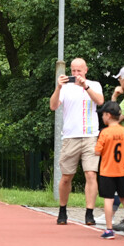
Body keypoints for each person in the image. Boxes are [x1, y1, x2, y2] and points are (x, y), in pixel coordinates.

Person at [49, 57, 104, 225]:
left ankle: (89, 213)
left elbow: (100, 102)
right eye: (73, 71)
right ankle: (62, 210)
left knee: (90, 174)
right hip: (70, 136)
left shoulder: (94, 85)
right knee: (66, 177)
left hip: (90, 135)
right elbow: (53, 106)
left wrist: (85, 86)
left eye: (79, 70)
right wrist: (58, 87)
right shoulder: (65, 88)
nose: (75, 74)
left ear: (86, 70)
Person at [94, 102, 124, 239]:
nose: (102, 118)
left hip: (107, 171)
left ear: (108, 115)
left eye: (103, 115)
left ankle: (109, 229)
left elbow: (97, 152)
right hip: (121, 170)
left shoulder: (104, 133)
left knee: (108, 199)